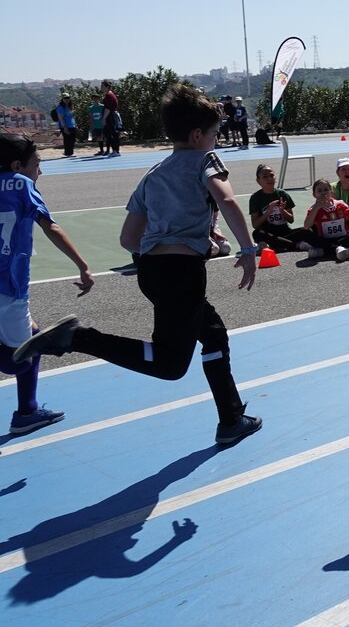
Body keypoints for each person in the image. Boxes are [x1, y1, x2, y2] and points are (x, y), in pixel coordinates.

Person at [13, 85, 263, 446]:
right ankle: (79, 338)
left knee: (211, 332)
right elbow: (226, 198)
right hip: (181, 274)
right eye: (213, 135)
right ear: (197, 136)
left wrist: (181, 239)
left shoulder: (153, 173)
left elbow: (129, 240)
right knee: (169, 365)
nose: (216, 142)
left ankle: (231, 417)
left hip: (151, 270)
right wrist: (247, 248)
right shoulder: (205, 160)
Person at [0, 133, 94, 436]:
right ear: (17, 164)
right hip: (9, 287)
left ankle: (27, 410)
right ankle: (26, 411)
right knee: (19, 360)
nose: (39, 172)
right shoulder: (21, 184)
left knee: (36, 337)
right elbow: (50, 225)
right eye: (36, 164)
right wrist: (82, 265)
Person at [248, 164, 316, 253]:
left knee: (310, 229)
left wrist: (282, 211)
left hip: (285, 232)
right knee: (257, 233)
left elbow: (291, 220)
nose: (269, 179)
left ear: (275, 177)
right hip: (269, 233)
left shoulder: (282, 194)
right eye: (265, 177)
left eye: (271, 175)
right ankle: (295, 245)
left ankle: (277, 245)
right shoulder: (255, 198)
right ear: (258, 181)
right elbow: (255, 225)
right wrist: (268, 212)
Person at [302, 178, 349, 261]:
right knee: (310, 237)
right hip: (326, 239)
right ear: (314, 194)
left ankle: (324, 251)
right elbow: (306, 226)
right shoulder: (313, 209)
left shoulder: (339, 204)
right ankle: (340, 249)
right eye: (319, 191)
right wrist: (316, 207)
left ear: (331, 192)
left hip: (342, 237)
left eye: (326, 190)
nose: (323, 193)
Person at [99, 79, 121, 157]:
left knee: (111, 134)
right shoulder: (109, 94)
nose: (101, 87)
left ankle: (116, 150)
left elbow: (108, 109)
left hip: (110, 117)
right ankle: (115, 150)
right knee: (109, 134)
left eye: (102, 86)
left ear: (107, 87)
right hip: (110, 116)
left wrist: (104, 119)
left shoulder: (109, 95)